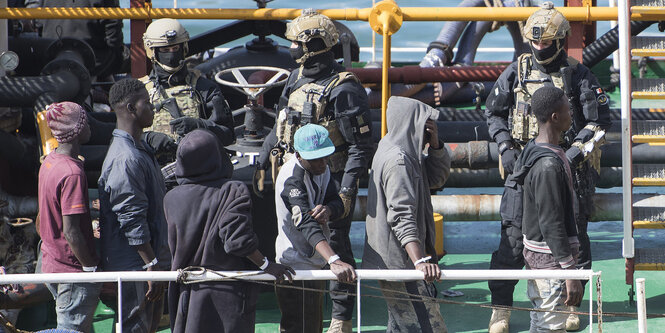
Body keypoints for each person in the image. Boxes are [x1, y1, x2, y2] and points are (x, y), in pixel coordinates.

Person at [484, 3, 610, 332]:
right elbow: (493, 112)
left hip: (567, 172)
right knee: (510, 242)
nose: (539, 49)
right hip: (522, 169)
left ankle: (573, 307)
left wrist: (571, 156)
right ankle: (501, 308)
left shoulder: (580, 76)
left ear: (561, 41)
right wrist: (504, 146)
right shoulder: (516, 71)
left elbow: (599, 123)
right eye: (534, 42)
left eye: (546, 43)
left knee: (575, 237)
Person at [257, 9, 373, 332]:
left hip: (330, 182)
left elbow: (361, 147)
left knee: (335, 245)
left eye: (296, 43)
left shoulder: (345, 89)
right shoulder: (295, 78)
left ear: (313, 45)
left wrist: (346, 194)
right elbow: (280, 119)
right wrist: (263, 158)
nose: (291, 48)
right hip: (294, 175)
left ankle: (340, 318)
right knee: (293, 239)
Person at [163, 129, 295, 333]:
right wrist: (266, 264)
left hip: (187, 293)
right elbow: (237, 241)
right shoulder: (233, 190)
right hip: (225, 294)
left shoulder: (171, 198)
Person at [362, 96, 451, 333]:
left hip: (398, 262)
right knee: (427, 328)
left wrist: (436, 146)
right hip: (402, 264)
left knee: (401, 326)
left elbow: (436, 180)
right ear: (413, 124)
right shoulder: (398, 161)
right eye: (426, 125)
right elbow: (401, 215)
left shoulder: (395, 148)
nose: (429, 129)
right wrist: (419, 261)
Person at [98, 78, 169, 333]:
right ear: (131, 109)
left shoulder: (138, 150)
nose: (153, 109)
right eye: (147, 104)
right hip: (135, 266)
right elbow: (131, 218)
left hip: (145, 263)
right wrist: (150, 265)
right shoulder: (125, 159)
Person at [273, 124, 357, 333]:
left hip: (314, 262)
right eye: (315, 158)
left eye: (325, 156)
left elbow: (334, 200)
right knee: (298, 327)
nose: (322, 163)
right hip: (294, 267)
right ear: (299, 155)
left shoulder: (321, 168)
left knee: (313, 326)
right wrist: (334, 260)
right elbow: (305, 223)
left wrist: (329, 209)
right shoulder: (291, 179)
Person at [517, 86, 583, 332]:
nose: (572, 114)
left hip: (540, 257)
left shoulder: (536, 150)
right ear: (555, 117)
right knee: (550, 327)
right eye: (568, 110)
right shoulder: (548, 166)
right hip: (551, 263)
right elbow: (551, 223)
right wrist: (570, 273)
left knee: (542, 324)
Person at [37, 101, 100, 332]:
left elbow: (42, 216)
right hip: (72, 272)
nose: (90, 125)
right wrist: (90, 268)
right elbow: (71, 231)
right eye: (84, 120)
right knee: (70, 329)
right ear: (76, 130)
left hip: (52, 263)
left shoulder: (50, 162)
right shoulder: (72, 173)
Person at [141, 18, 234, 166]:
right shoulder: (140, 90)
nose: (171, 55)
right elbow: (122, 135)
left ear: (183, 48)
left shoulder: (204, 88)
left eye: (175, 49)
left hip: (197, 169)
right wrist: (147, 138)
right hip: (153, 169)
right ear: (153, 52)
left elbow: (227, 135)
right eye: (165, 50)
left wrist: (198, 126)